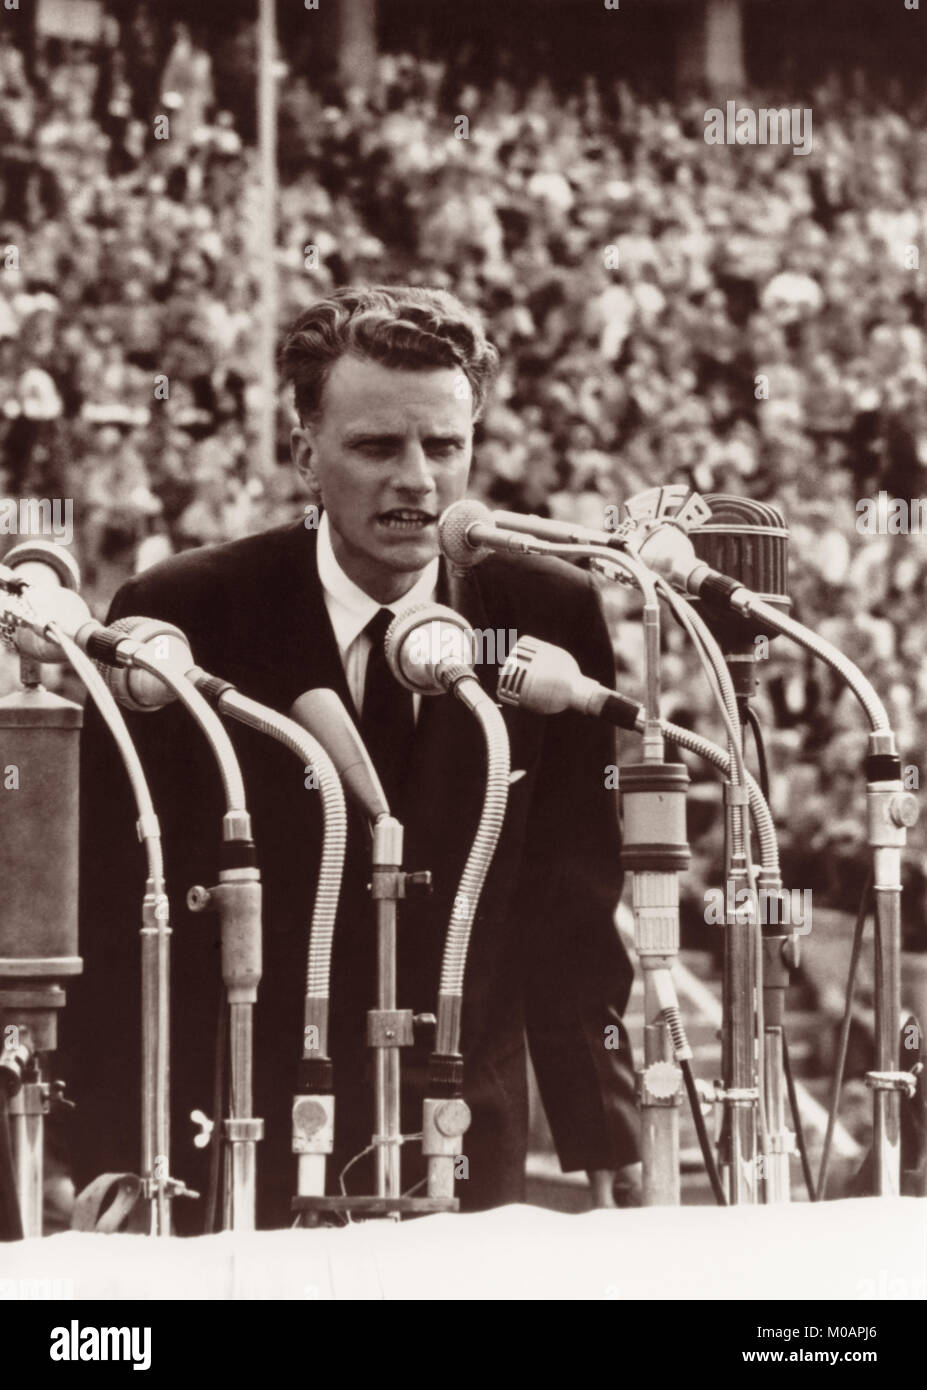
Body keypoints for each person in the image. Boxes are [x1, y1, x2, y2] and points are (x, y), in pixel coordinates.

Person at [67, 285, 640, 1229]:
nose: (416, 479)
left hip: (463, 1133)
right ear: (305, 453)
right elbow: (119, 891)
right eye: (378, 446)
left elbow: (571, 892)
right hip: (233, 1128)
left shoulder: (549, 608)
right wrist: (111, 1147)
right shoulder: (186, 611)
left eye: (443, 447)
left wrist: (602, 1133)